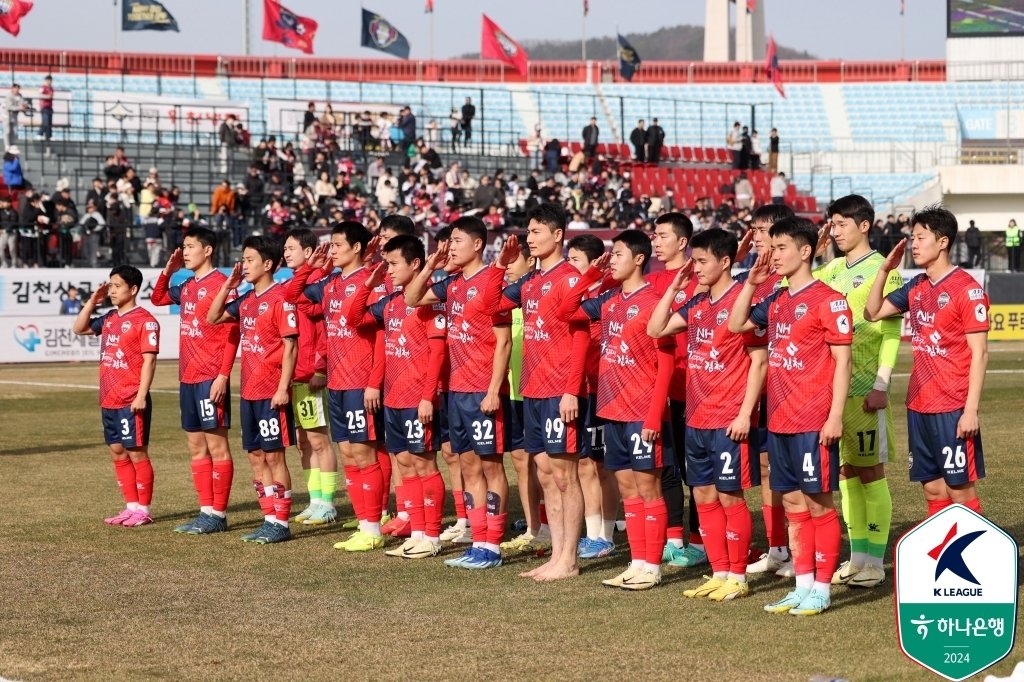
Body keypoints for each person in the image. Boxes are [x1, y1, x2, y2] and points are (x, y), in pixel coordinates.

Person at [729, 216, 852, 616]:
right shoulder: (777, 300)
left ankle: (822, 588)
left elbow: (843, 361)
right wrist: (750, 282)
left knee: (819, 504)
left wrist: (834, 417)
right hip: (779, 420)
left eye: (781, 248)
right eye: (771, 246)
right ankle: (801, 585)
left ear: (804, 251)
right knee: (794, 504)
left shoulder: (828, 299)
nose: (773, 254)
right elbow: (735, 323)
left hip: (813, 420)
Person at [648, 228, 768, 601]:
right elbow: (655, 329)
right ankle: (718, 571)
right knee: (703, 496)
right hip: (696, 419)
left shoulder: (742, 302)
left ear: (725, 261)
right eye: (693, 261)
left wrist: (746, 414)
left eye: (702, 261)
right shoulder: (697, 303)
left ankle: (738, 576)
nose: (695, 268)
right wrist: (674, 288)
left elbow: (759, 362)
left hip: (728, 419)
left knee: (730, 497)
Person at [556, 230, 675, 591]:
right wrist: (594, 275)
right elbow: (564, 311)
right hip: (614, 409)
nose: (613, 260)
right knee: (627, 488)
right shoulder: (608, 300)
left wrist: (655, 415)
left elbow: (667, 362)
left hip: (643, 411)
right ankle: (636, 561)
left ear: (639, 258)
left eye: (618, 254)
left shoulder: (655, 300)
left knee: (648, 487)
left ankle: (652, 566)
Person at [403, 220, 520, 570]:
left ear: (478, 244)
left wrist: (493, 391)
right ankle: (478, 539)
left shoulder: (492, 281)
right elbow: (411, 298)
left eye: (457, 241)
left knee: (490, 465)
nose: (450, 246)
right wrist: (431, 266)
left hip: (483, 392)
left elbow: (504, 343)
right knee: (467, 464)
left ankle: (493, 546)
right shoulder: (452, 283)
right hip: (456, 392)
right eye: (449, 241)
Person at [864, 206, 988, 519]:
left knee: (959, 487)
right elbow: (873, 312)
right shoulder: (917, 286)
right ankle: (946, 555)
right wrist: (884, 271)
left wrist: (970, 410)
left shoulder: (967, 289)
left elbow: (980, 354)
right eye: (912, 237)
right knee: (932, 488)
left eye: (921, 237)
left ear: (942, 242)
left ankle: (974, 559)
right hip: (919, 404)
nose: (914, 243)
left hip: (953, 406)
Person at [496, 204, 589, 582]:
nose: (530, 238)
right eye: (529, 232)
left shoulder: (569, 278)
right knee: (546, 473)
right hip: (532, 388)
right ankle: (556, 554)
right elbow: (491, 306)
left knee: (566, 475)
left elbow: (581, 335)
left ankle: (570, 558)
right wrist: (496, 266)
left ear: (557, 235)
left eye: (536, 232)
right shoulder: (531, 282)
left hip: (558, 390)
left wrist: (571, 391)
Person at [816, 195, 903, 590]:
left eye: (841, 224)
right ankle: (857, 557)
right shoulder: (831, 268)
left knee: (871, 472)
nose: (835, 231)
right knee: (846, 473)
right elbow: (790, 287)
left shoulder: (884, 269)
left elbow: (891, 330)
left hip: (867, 387)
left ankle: (876, 561)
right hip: (835, 390)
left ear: (864, 225)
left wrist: (882, 384)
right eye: (832, 224)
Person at [286, 222, 388, 552]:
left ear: (357, 247)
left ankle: (373, 526)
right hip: (338, 382)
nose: (332, 250)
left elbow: (383, 335)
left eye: (339, 244)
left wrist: (374, 382)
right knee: (348, 453)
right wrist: (309, 271)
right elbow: (293, 297)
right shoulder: (330, 282)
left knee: (364, 452)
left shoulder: (372, 281)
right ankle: (364, 523)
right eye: (331, 244)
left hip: (361, 383)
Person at [349, 235, 449, 559]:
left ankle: (432, 536)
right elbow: (354, 318)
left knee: (424, 463)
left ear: (415, 264)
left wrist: (426, 396)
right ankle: (418, 532)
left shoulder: (429, 301)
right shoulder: (391, 302)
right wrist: (368, 283)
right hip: (393, 398)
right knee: (406, 464)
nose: (388, 270)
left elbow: (437, 351)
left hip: (417, 398)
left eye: (393, 264)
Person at [207, 236, 298, 544]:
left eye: (249, 260)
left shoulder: (281, 298)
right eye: (243, 260)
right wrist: (227, 285)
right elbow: (213, 317)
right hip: (248, 392)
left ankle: (281, 523)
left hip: (272, 391)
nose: (243, 265)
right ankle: (268, 518)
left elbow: (290, 346)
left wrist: (283, 387)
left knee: (274, 457)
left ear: (268, 264)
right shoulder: (246, 301)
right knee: (256, 456)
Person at [152, 228, 241, 535]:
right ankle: (205, 511)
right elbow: (157, 296)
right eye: (183, 246)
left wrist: (223, 375)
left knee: (217, 446)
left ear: (208, 250)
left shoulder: (223, 284)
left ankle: (219, 513)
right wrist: (168, 270)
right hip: (187, 377)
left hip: (210, 377)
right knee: (195, 446)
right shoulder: (187, 284)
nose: (184, 251)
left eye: (189, 247)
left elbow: (233, 332)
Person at [72, 265, 160, 528]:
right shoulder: (109, 318)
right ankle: (130, 507)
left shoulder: (145, 320)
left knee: (136, 453)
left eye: (117, 285)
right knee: (117, 452)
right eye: (110, 285)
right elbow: (79, 328)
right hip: (109, 398)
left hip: (131, 398)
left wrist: (141, 395)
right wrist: (92, 301)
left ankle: (143, 510)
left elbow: (149, 361)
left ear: (133, 289)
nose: (112, 290)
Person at [740, 203, 796, 577]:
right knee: (763, 471)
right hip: (749, 390)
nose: (756, 236)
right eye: (754, 229)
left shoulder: (790, 278)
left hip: (785, 389)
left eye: (762, 230)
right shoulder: (747, 276)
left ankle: (797, 548)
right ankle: (777, 547)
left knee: (789, 473)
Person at [646, 213, 704, 567]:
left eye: (662, 235)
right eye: (654, 234)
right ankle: (672, 538)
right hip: (655, 388)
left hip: (692, 388)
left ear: (682, 241)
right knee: (664, 465)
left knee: (694, 470)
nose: (655, 241)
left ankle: (699, 541)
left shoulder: (701, 278)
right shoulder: (651, 280)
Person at [562, 234, 619, 560]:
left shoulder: (608, 291)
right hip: (578, 388)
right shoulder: (577, 293)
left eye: (576, 260)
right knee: (584, 463)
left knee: (602, 465)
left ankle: (606, 535)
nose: (570, 266)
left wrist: (596, 276)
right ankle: (592, 531)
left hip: (602, 389)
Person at [281, 229, 339, 527]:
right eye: (285, 248)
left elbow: (324, 331)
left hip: (310, 373)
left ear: (308, 252)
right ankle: (315, 500)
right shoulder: (297, 281)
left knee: (318, 440)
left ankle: (327, 503)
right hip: (295, 375)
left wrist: (320, 369)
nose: (286, 252)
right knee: (304, 442)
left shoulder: (316, 282)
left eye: (291, 248)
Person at [0, 194, 17, 267]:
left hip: (11, 233)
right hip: (3, 233)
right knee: (0, 248)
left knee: (12, 249)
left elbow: (13, 221)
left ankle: (14, 263)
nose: (3, 204)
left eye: (5, 202)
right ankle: (4, 263)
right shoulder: (1, 211)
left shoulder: (13, 211)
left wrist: (6, 229)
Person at [38, 75, 53, 141]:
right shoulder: (43, 87)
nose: (49, 82)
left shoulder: (51, 88)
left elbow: (51, 96)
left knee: (49, 123)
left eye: (50, 81)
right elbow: (40, 95)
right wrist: (47, 96)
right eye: (48, 80)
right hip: (44, 107)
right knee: (45, 122)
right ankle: (40, 133)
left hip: (50, 106)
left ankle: (48, 136)